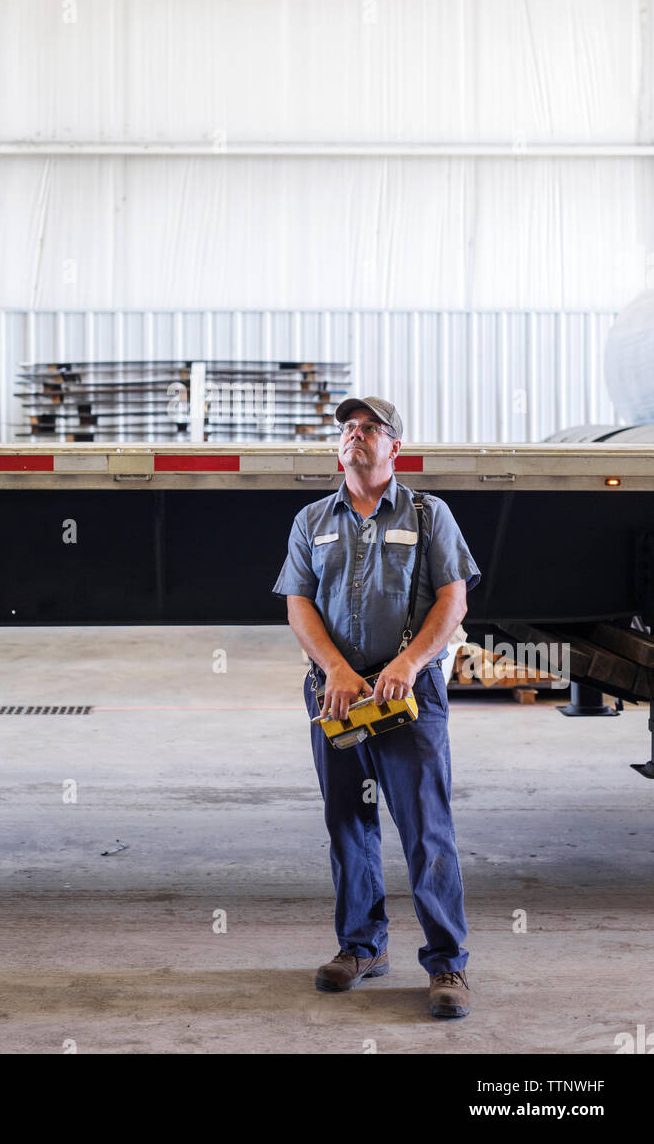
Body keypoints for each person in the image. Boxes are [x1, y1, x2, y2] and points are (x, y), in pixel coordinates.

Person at [272, 395, 481, 1019]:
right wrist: (335, 669)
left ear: (395, 447)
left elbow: (453, 600)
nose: (355, 436)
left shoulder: (429, 514)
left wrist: (409, 664)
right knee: (348, 824)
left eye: (371, 429)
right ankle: (361, 948)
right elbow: (299, 604)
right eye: (347, 429)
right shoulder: (312, 519)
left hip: (407, 697)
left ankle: (447, 965)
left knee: (426, 829)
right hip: (336, 697)